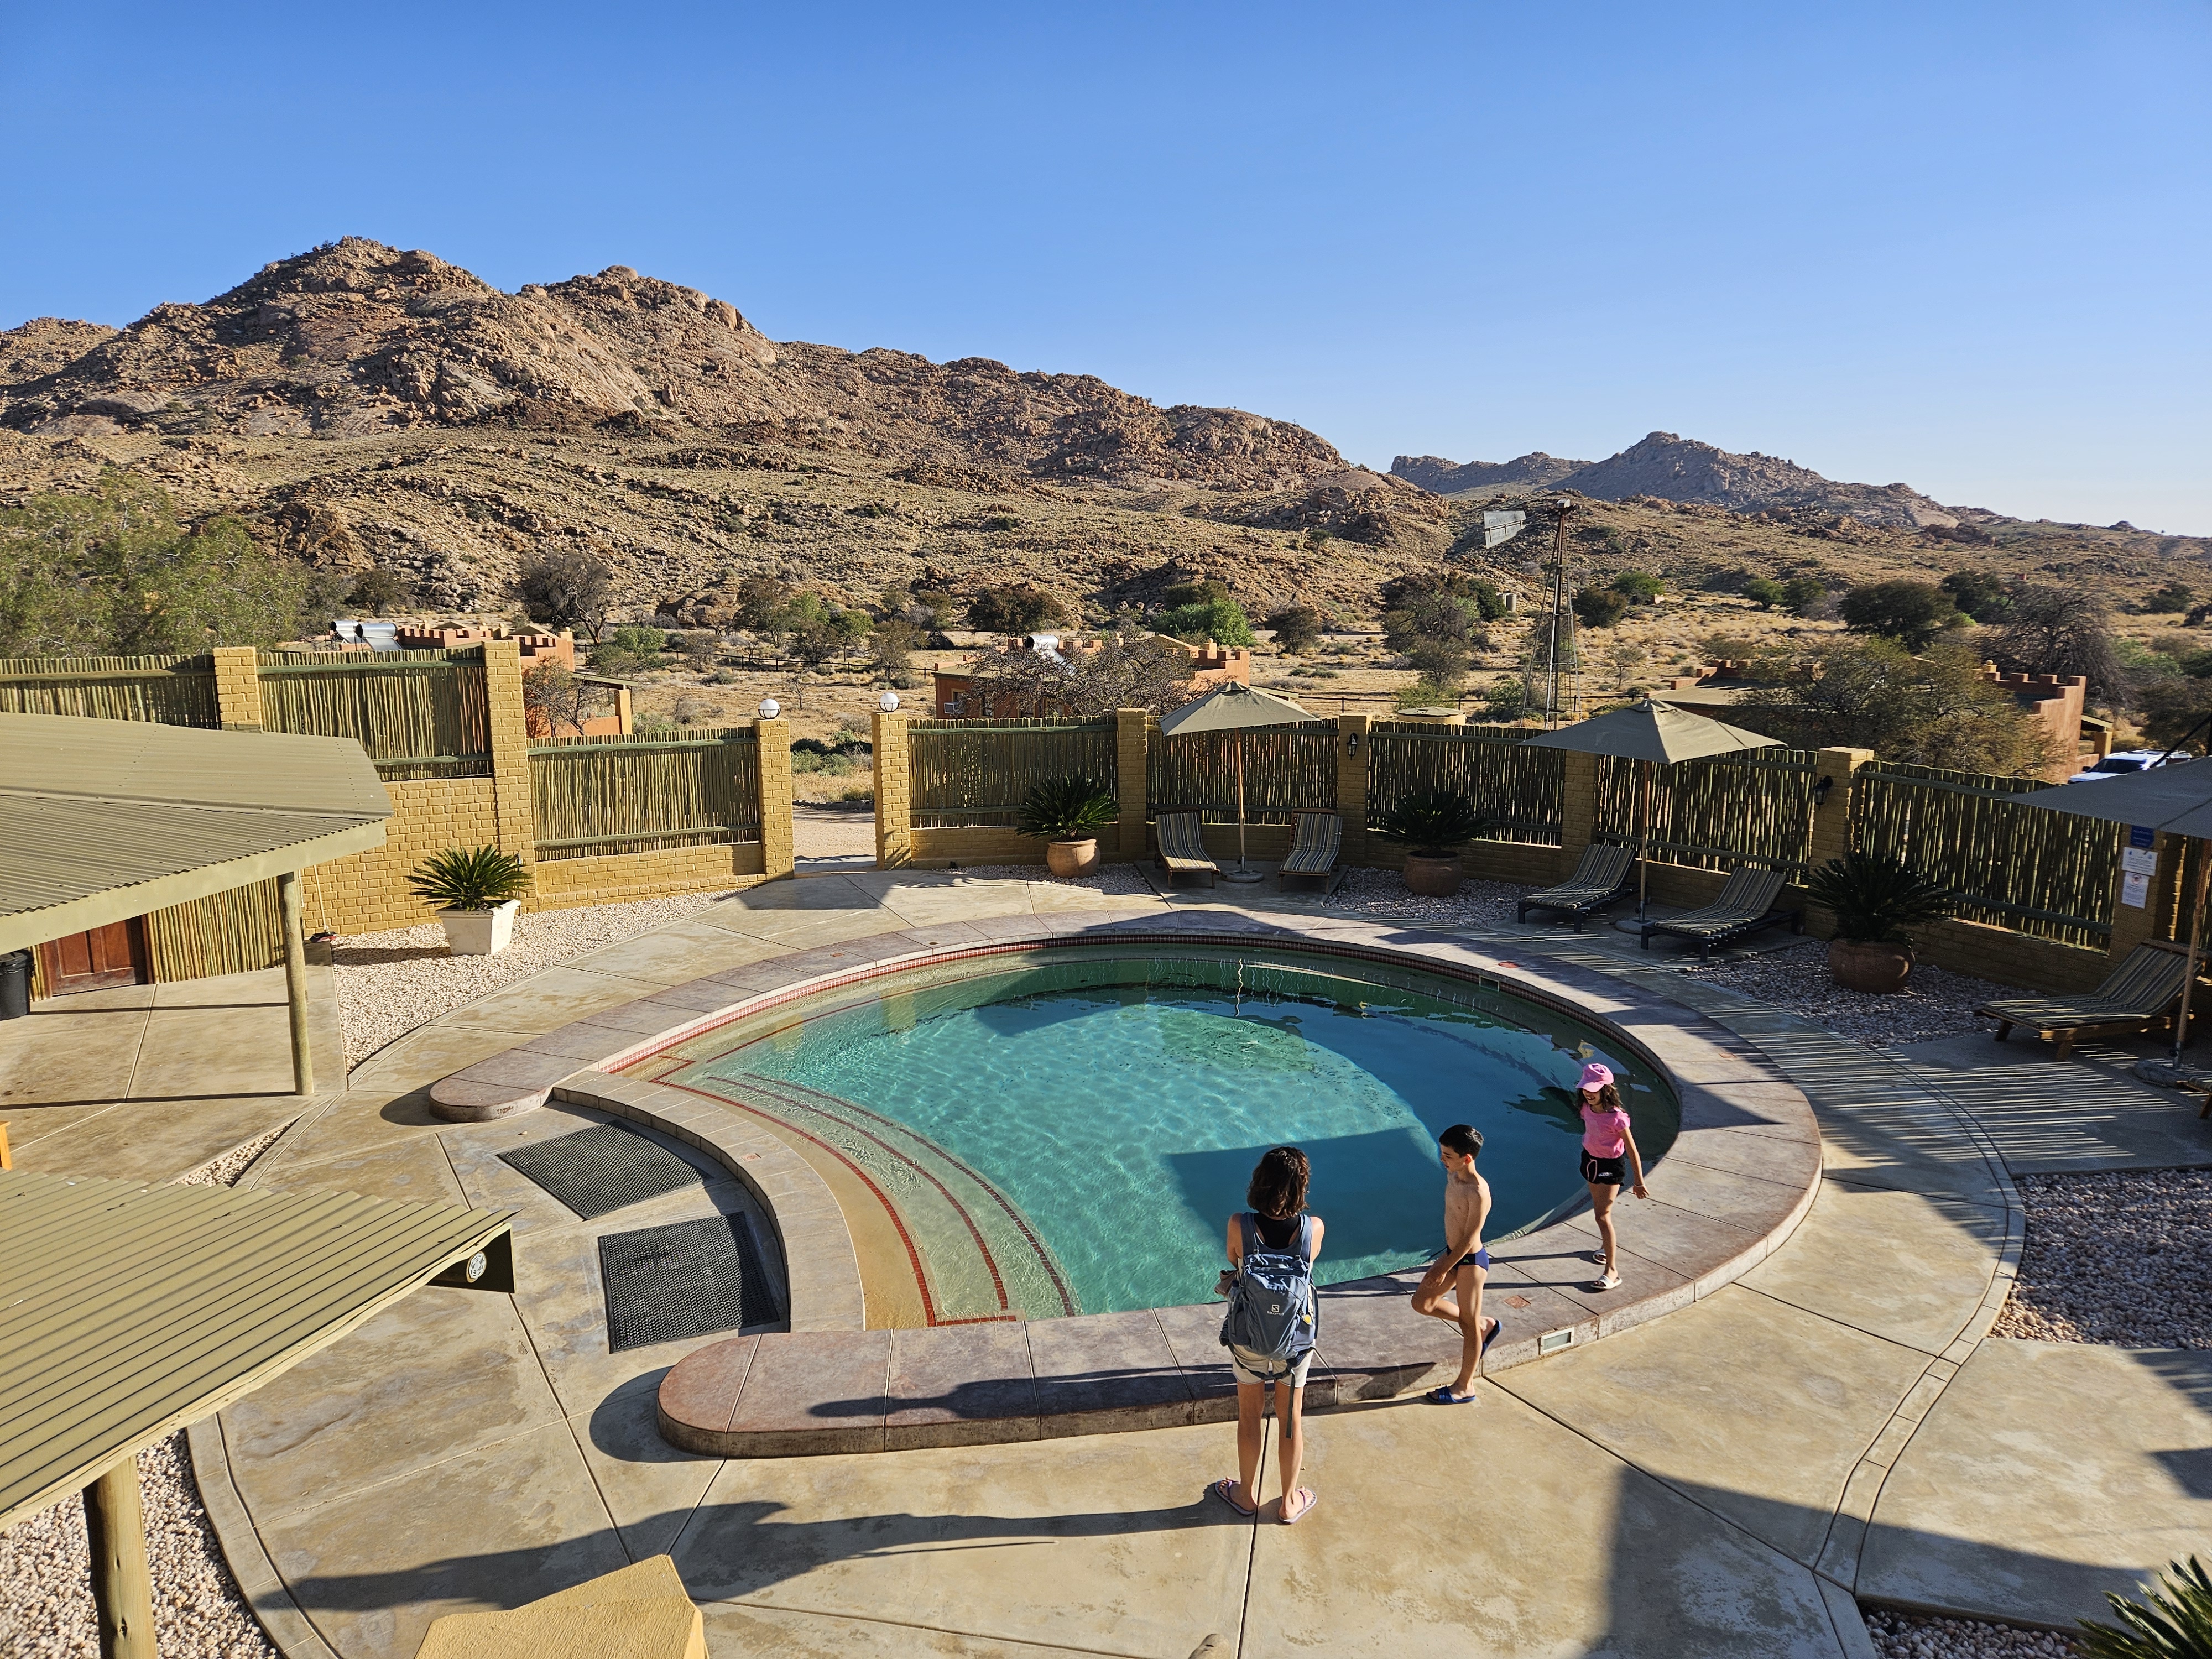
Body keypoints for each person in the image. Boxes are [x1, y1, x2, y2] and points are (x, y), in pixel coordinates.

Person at [1212, 1144, 1323, 1525]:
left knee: (1249, 1415)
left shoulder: (1239, 1224)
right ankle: (1289, 1502)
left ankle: (1245, 1495)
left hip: (1249, 1336)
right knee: (1291, 1419)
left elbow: (1234, 1260)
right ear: (1301, 1186)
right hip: (1294, 1342)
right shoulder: (1314, 1229)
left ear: (1259, 1181)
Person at [1409, 1123, 1500, 1405]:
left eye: (1448, 1155)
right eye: (1442, 1153)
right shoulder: (1453, 1177)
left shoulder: (1478, 1191)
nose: (1442, 1159)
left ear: (1467, 1158)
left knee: (1467, 1325)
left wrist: (1443, 1267)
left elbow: (1471, 1237)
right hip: (1452, 1254)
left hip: (1470, 1261)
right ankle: (1484, 1324)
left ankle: (1465, 1387)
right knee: (1422, 1303)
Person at [1575, 1061, 1648, 1291]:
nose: (1589, 1094)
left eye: (1594, 1090)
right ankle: (1606, 1248)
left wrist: (1639, 1182)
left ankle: (1612, 1272)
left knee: (1602, 1216)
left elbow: (1632, 1150)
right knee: (1600, 1213)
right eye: (1586, 1089)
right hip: (1590, 1161)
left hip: (1610, 1166)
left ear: (1606, 1089)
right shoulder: (1586, 1108)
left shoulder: (1617, 1118)